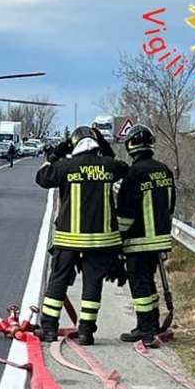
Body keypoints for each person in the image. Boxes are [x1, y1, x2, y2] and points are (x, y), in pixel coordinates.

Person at [35, 127, 129, 345]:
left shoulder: (65, 167)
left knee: (58, 280)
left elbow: (42, 177)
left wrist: (55, 155)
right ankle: (86, 332)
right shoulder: (109, 166)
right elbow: (122, 167)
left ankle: (49, 329)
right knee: (93, 283)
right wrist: (105, 147)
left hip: (69, 238)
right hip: (101, 240)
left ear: (74, 144)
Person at [116, 125, 176, 346]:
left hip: (138, 241)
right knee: (149, 283)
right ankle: (153, 322)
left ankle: (145, 329)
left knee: (139, 285)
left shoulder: (134, 174)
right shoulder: (165, 171)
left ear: (130, 146)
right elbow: (171, 205)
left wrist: (117, 237)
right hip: (160, 239)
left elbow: (126, 213)